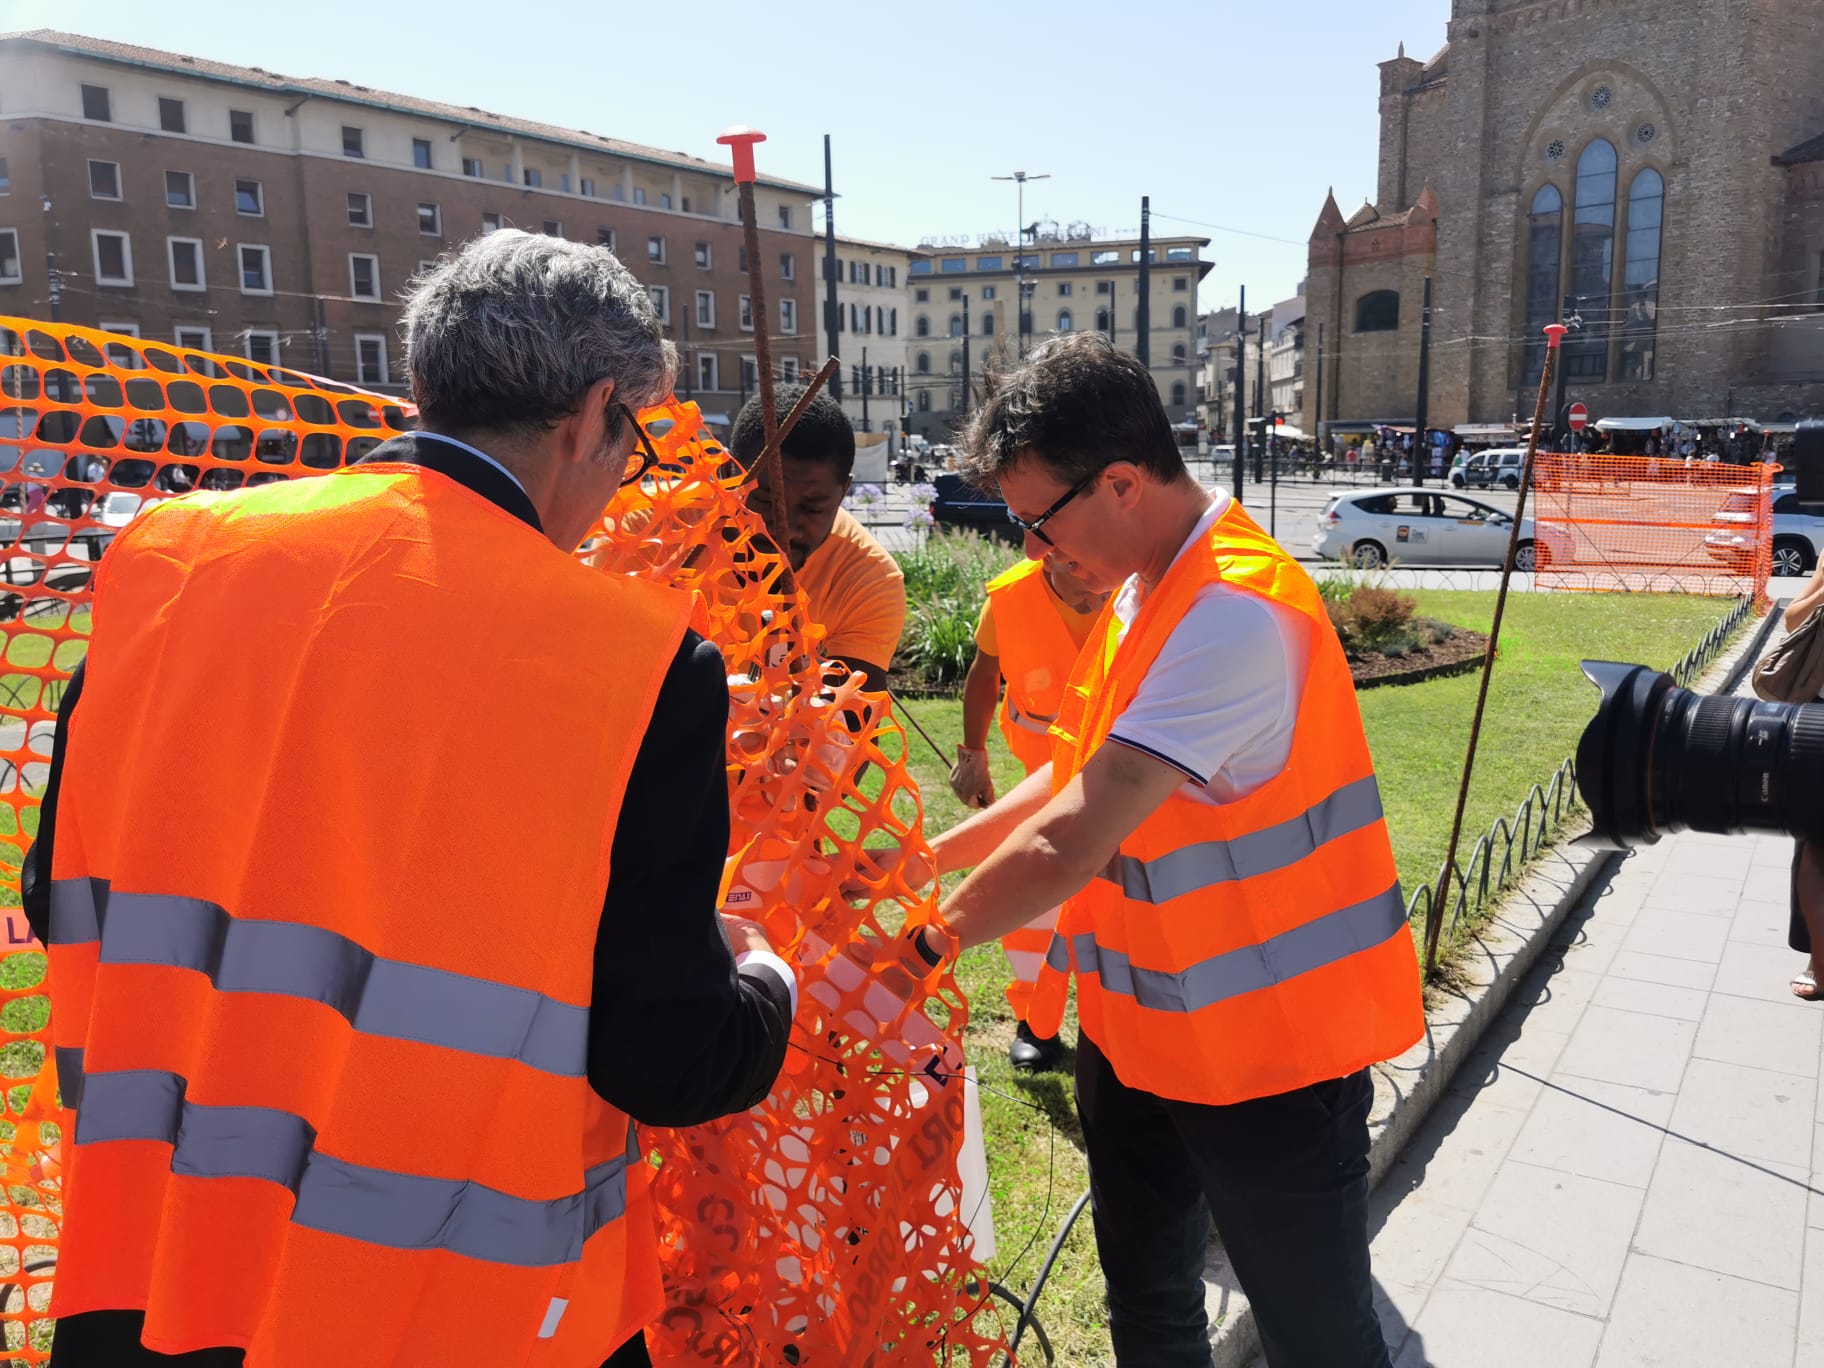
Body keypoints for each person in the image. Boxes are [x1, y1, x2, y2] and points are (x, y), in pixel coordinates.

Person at [24, 229, 797, 1368]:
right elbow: (668, 1059)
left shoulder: (168, 560)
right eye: (630, 446)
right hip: (454, 1310)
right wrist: (766, 977)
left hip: (156, 1265)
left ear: (424, 385)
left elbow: (60, 896)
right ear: (592, 416)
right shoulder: (633, 665)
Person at [906, 333, 1424, 1367]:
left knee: (1320, 1340)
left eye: (1037, 521)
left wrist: (910, 950)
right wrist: (919, 865)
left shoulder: (1230, 611)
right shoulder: (1145, 589)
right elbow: (1072, 773)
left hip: (1268, 1062)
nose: (1029, 550)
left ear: (1124, 483)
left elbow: (1072, 837)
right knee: (1150, 1310)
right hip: (1142, 1042)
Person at [950, 554, 1110, 1071]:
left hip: (1130, 776)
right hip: (1042, 781)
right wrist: (972, 754)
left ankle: (1110, 1027)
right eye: (1078, 585)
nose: (1094, 597)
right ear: (1048, 555)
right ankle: (1035, 1023)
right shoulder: (1010, 599)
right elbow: (984, 671)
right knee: (1033, 909)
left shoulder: (1138, 581)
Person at [730, 386, 907, 690]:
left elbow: (848, 731)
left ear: (843, 493)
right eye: (765, 502)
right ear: (728, 472)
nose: (784, 531)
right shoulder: (653, 535)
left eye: (813, 508)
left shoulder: (868, 580)